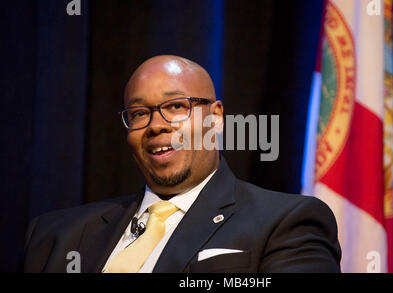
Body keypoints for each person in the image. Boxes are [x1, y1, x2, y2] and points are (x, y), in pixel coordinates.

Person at [23, 55, 341, 273]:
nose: (155, 125)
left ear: (215, 118)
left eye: (176, 106)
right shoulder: (54, 234)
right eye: (138, 113)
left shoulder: (287, 223)